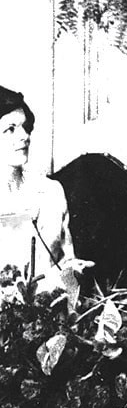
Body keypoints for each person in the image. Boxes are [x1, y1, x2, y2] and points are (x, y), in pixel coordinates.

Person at [0, 86, 75, 281]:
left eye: (25, 127)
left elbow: (67, 262)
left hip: (53, 306)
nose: (24, 136)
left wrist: (73, 270)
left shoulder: (51, 192)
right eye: (10, 129)